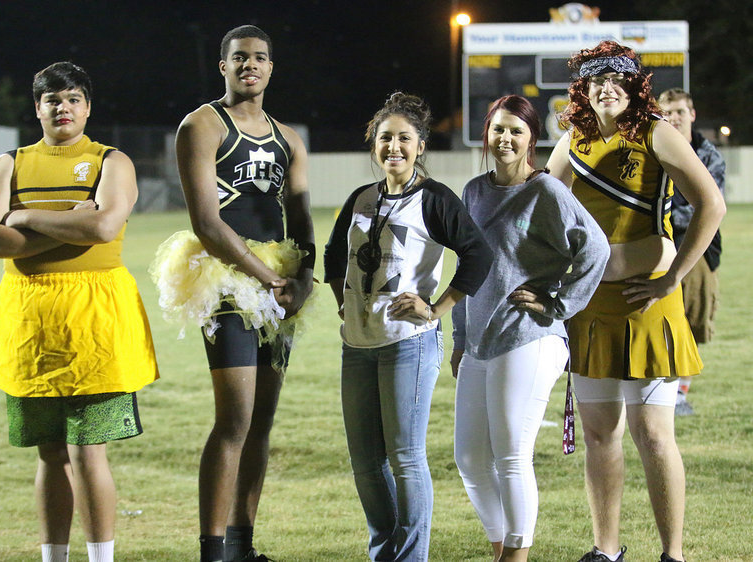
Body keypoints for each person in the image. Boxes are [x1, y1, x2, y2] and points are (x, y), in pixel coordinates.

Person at [546, 41, 726, 562]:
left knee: (653, 434)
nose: (607, 88)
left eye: (617, 81)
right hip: (590, 306)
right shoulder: (571, 141)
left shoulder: (656, 131)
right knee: (600, 435)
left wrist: (673, 278)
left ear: (632, 87)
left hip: (647, 302)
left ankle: (673, 554)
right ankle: (606, 550)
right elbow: (541, 212)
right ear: (583, 88)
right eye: (596, 80)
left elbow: (710, 203)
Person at [0, 61, 159, 562]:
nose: (63, 108)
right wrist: (68, 222)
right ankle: (53, 557)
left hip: (97, 319)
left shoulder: (110, 161)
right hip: (30, 323)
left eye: (74, 98)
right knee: (50, 452)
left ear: (88, 107)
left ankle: (101, 558)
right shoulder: (7, 164)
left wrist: (26, 216)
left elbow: (101, 230)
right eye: (53, 99)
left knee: (88, 450)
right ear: (37, 108)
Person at [168, 25, 314, 562]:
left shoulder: (289, 138)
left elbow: (300, 218)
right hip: (228, 277)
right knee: (234, 420)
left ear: (271, 68)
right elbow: (207, 221)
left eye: (259, 58)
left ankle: (242, 546)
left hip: (277, 282)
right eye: (238, 58)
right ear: (223, 67)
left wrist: (301, 278)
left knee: (262, 423)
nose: (249, 65)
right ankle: (212, 552)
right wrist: (265, 276)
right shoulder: (202, 124)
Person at [324, 92, 488, 562]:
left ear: (420, 146)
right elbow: (336, 255)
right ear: (373, 145)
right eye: (385, 138)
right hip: (356, 345)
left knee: (406, 459)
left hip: (408, 345)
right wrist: (344, 302)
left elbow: (479, 254)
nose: (393, 146)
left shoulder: (434, 199)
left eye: (404, 138)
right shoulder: (361, 198)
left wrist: (437, 309)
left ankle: (411, 557)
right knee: (365, 464)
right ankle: (385, 552)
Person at [450, 95, 609, 562]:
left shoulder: (546, 192)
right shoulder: (475, 191)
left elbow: (594, 249)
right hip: (480, 340)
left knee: (510, 456)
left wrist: (557, 304)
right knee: (470, 460)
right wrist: (460, 339)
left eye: (516, 131)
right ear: (487, 133)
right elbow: (466, 266)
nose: (505, 139)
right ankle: (502, 547)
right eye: (498, 129)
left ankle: (516, 557)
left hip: (528, 335)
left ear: (531, 140)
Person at [657, 88, 726, 416]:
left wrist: (661, 215)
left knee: (692, 321)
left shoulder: (708, 154)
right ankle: (659, 391)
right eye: (667, 112)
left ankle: (680, 393)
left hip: (696, 248)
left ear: (692, 115)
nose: (674, 118)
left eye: (680, 112)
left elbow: (707, 208)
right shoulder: (653, 147)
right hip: (656, 247)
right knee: (658, 321)